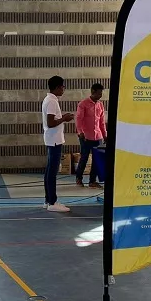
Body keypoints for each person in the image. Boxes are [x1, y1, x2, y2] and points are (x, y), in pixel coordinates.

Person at [42, 75, 74, 212]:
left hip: (52, 139)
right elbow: (50, 123)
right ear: (57, 87)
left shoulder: (49, 99)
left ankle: (48, 200)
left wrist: (62, 117)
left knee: (49, 170)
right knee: (52, 172)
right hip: (54, 140)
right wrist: (64, 118)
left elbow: (53, 120)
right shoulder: (52, 102)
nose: (63, 89)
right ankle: (52, 202)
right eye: (62, 87)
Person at [75, 83, 107, 188]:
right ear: (93, 91)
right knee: (84, 157)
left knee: (97, 159)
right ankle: (79, 178)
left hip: (98, 136)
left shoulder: (100, 105)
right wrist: (80, 132)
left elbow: (102, 122)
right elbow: (78, 119)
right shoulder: (83, 104)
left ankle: (92, 181)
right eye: (99, 93)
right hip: (85, 136)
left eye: (101, 93)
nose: (100, 95)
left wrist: (105, 135)